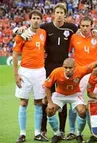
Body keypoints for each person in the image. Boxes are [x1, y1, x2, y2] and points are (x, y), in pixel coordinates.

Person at [40, 3, 78, 140]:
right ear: (54, 13)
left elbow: (85, 33)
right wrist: (20, 30)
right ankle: (43, 129)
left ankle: (61, 130)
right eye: (57, 12)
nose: (60, 14)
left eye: (62, 12)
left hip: (64, 68)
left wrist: (96, 32)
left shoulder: (72, 28)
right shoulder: (46, 27)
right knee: (46, 98)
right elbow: (33, 32)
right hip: (49, 67)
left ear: (65, 14)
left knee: (63, 97)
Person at [69, 15, 97, 142]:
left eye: (87, 26)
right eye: (83, 26)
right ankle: (72, 131)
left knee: (92, 105)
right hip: (78, 76)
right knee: (75, 104)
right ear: (80, 26)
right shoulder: (74, 37)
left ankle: (94, 132)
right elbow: (67, 51)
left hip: (93, 76)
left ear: (92, 26)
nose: (85, 28)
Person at [12, 10, 48, 142]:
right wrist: (16, 75)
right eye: (34, 18)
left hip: (40, 72)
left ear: (41, 20)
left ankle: (37, 133)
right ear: (30, 20)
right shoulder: (23, 35)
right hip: (25, 72)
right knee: (23, 102)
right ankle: (22, 134)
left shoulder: (43, 33)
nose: (36, 20)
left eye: (38, 18)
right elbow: (15, 55)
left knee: (38, 102)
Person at [44, 58, 95, 143]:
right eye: (66, 67)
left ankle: (78, 134)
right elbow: (47, 86)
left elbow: (94, 65)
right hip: (60, 95)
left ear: (75, 67)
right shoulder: (56, 72)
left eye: (70, 68)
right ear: (63, 67)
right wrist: (50, 102)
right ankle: (57, 134)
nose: (68, 70)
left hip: (75, 95)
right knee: (49, 110)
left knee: (82, 111)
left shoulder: (81, 70)